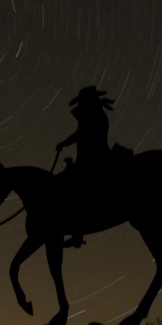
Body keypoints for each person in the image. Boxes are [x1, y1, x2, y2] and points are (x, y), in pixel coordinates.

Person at [56, 86, 116, 247]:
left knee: (75, 189)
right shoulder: (93, 114)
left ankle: (77, 232)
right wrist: (65, 143)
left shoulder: (93, 116)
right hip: (90, 158)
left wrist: (64, 143)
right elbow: (81, 134)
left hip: (94, 159)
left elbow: (81, 134)